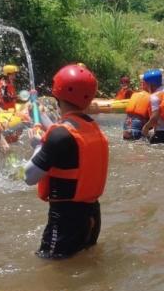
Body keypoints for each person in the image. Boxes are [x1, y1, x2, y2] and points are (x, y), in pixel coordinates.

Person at [23, 64, 107, 259]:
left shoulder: (59, 136)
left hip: (65, 220)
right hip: (92, 215)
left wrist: (37, 145)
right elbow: (64, 134)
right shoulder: (91, 127)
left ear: (57, 94)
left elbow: (28, 176)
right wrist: (40, 114)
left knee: (51, 267)